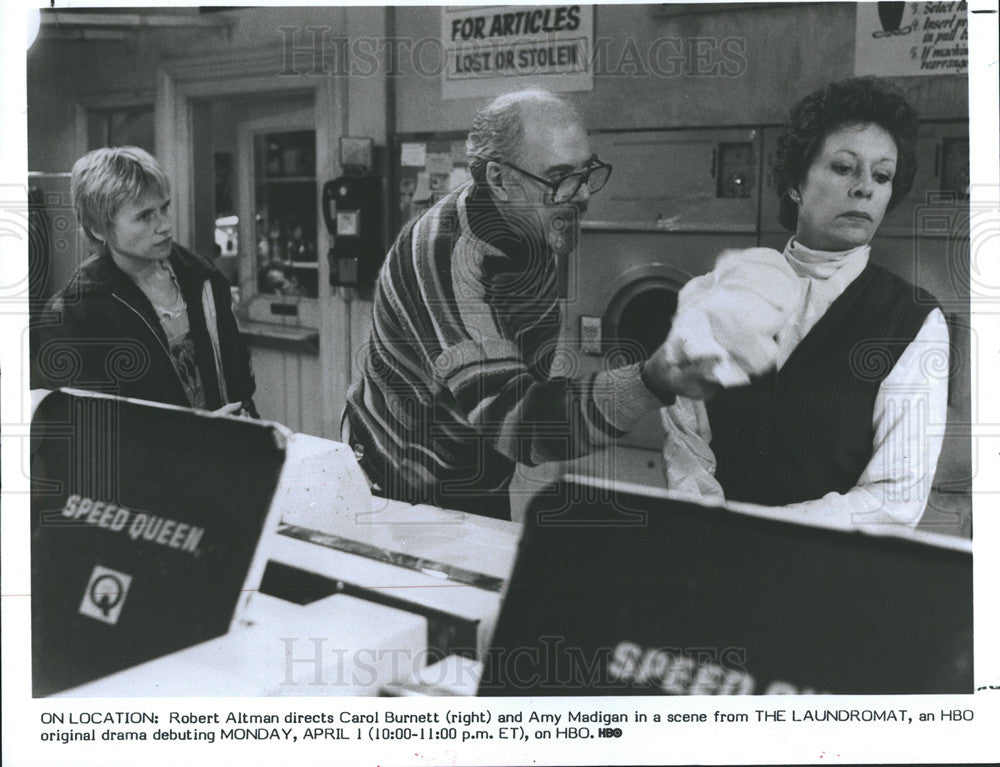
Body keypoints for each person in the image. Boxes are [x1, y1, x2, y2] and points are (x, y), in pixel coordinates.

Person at [344, 88, 720, 519]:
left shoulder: (536, 222)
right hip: (398, 480)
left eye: (586, 172)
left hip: (476, 466)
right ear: (499, 181)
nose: (580, 195)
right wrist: (653, 379)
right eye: (560, 177)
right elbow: (516, 423)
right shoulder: (448, 258)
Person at [661, 77, 947, 530]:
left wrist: (765, 531)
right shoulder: (721, 290)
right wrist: (709, 526)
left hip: (828, 575)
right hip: (711, 557)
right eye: (843, 167)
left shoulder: (911, 320)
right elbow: (686, 440)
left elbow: (897, 496)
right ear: (796, 183)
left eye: (882, 175)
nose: (864, 189)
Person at [32, 146, 258, 416]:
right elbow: (94, 428)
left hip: (227, 449)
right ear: (98, 229)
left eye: (164, 208)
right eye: (144, 216)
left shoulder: (201, 277)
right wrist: (198, 434)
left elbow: (239, 381)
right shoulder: (75, 312)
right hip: (162, 455)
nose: (164, 225)